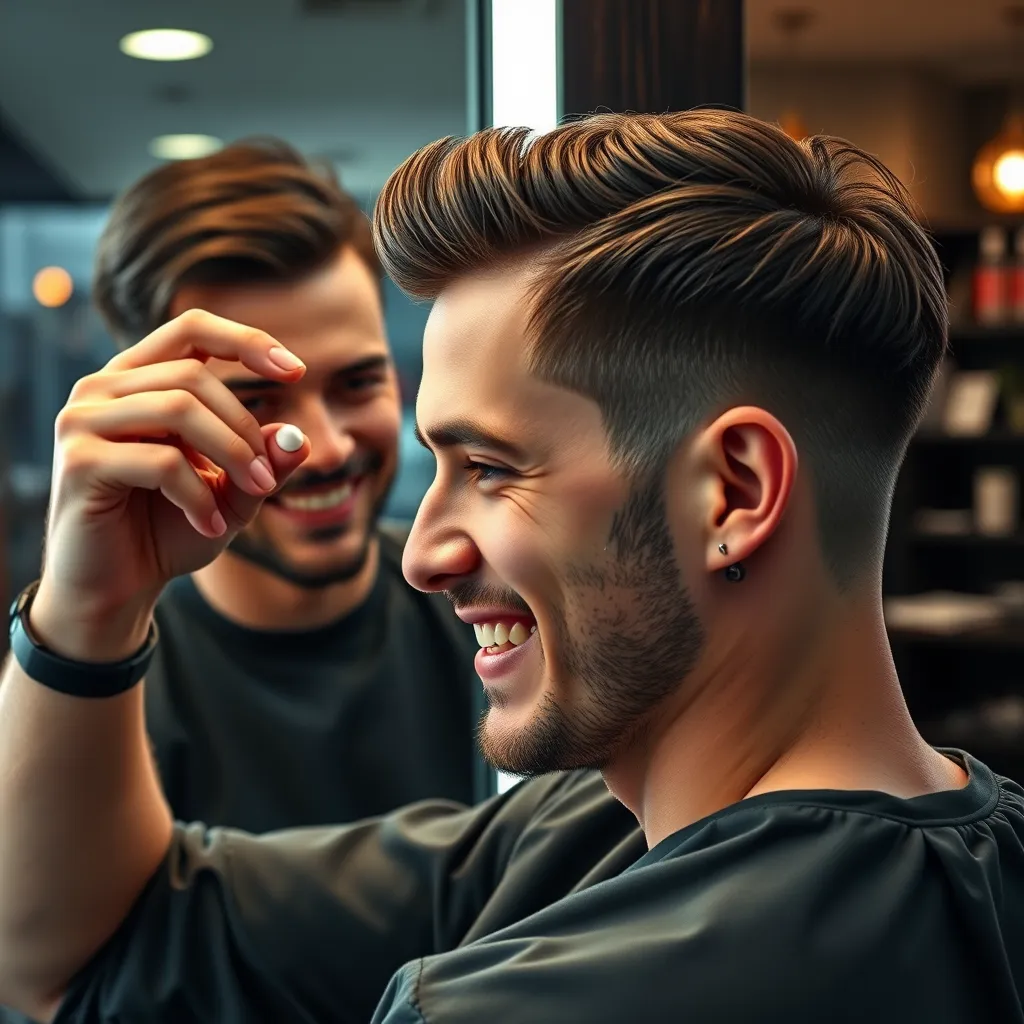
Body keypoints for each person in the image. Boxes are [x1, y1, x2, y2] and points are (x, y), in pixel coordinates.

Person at [0, 110, 1022, 1024]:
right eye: (435, 462)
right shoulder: (593, 833)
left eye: (489, 467)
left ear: (734, 492)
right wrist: (91, 601)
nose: (427, 555)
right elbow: (107, 944)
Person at [88, 140, 490, 833]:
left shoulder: (486, 614)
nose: (326, 449)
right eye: (255, 401)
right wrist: (85, 614)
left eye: (357, 382)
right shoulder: (98, 683)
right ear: (157, 413)